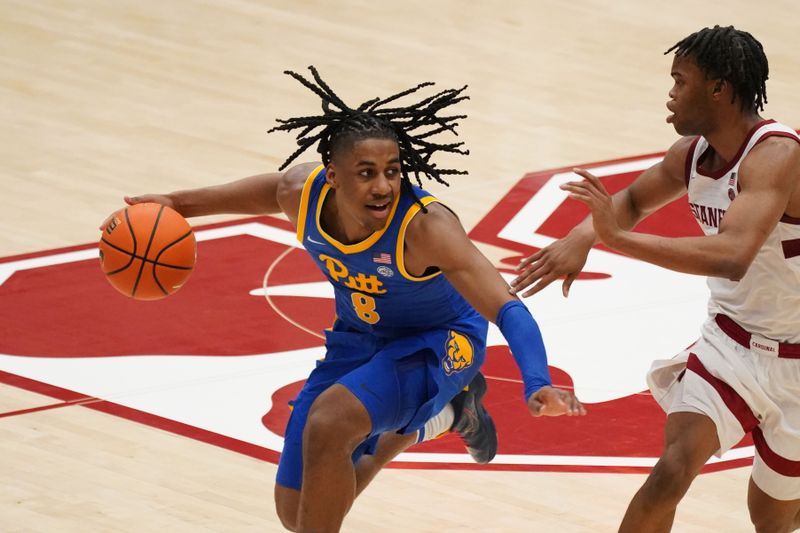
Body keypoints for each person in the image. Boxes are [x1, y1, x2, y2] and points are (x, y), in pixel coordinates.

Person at [116, 67, 585, 533]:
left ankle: (442, 401)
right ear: (333, 176)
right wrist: (175, 205)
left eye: (392, 171)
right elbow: (265, 190)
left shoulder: (426, 228)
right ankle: (444, 415)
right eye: (366, 173)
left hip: (442, 342)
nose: (383, 186)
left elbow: (507, 307)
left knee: (329, 423)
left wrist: (536, 382)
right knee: (295, 512)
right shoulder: (301, 193)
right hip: (360, 338)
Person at [512, 25, 800, 532]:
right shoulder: (690, 154)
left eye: (680, 81)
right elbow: (631, 201)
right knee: (670, 472)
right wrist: (581, 238)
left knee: (772, 519)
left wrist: (616, 240)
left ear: (719, 89)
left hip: (796, 361)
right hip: (728, 345)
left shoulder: (777, 155)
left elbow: (731, 254)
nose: (670, 95)